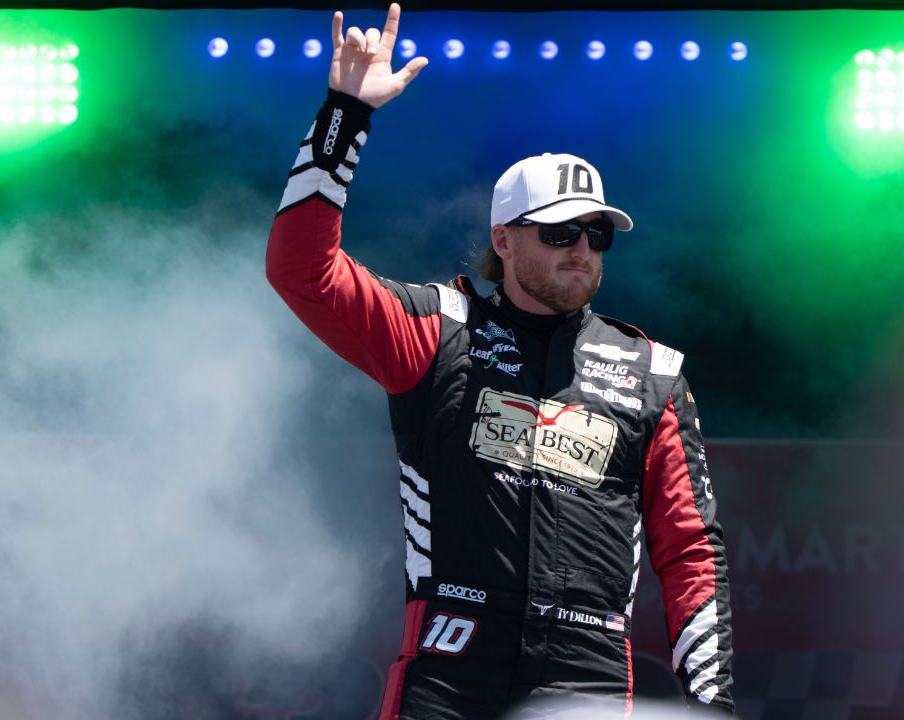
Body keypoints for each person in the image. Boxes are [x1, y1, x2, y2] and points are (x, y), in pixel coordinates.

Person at [265, 4, 734, 717]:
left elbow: (692, 550)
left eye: (597, 236)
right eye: (560, 233)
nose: (581, 249)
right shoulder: (438, 330)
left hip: (589, 678)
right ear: (504, 240)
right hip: (452, 670)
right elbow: (301, 271)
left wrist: (712, 704)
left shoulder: (651, 371)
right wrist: (345, 118)